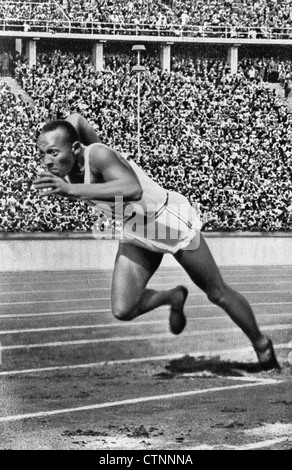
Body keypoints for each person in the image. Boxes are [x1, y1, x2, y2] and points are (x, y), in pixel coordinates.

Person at [34, 113, 281, 372]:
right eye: (43, 154)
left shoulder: (97, 157)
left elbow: (132, 189)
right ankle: (173, 297)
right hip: (136, 229)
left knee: (217, 293)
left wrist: (74, 187)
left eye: (53, 152)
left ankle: (262, 345)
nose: (47, 161)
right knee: (123, 308)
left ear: (74, 148)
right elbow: (75, 120)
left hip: (166, 222)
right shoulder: (71, 162)